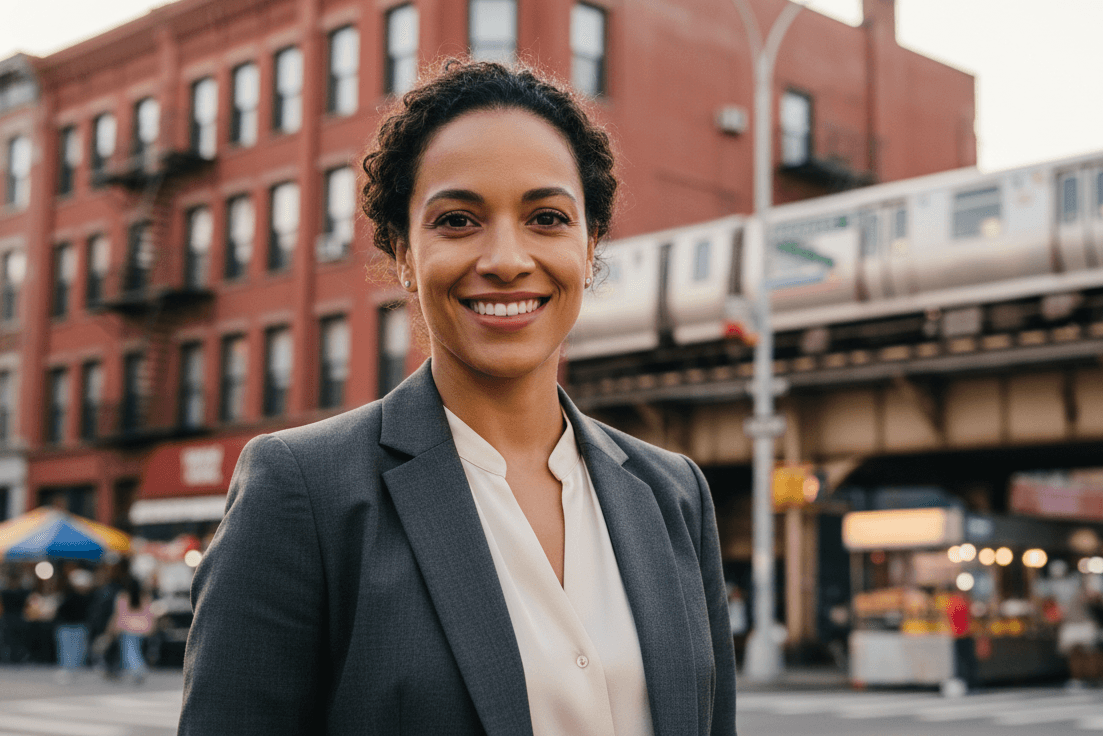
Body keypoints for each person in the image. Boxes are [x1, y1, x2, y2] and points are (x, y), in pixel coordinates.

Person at [180, 60, 735, 735]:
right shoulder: (303, 494)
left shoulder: (673, 493)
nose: (506, 257)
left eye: (547, 217)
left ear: (589, 248)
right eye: (458, 220)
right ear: (403, 253)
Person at [110, 577, 154, 683]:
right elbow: (150, 614)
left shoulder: (123, 596)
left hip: (127, 628)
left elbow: (119, 614)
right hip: (142, 629)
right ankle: (135, 670)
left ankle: (138, 670)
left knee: (129, 651)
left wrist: (114, 628)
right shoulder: (145, 597)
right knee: (136, 650)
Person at [53, 568, 93, 684]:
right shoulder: (75, 596)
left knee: (74, 650)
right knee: (70, 650)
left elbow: (59, 610)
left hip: (75, 626)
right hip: (71, 626)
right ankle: (68, 670)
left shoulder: (74, 596)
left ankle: (71, 670)